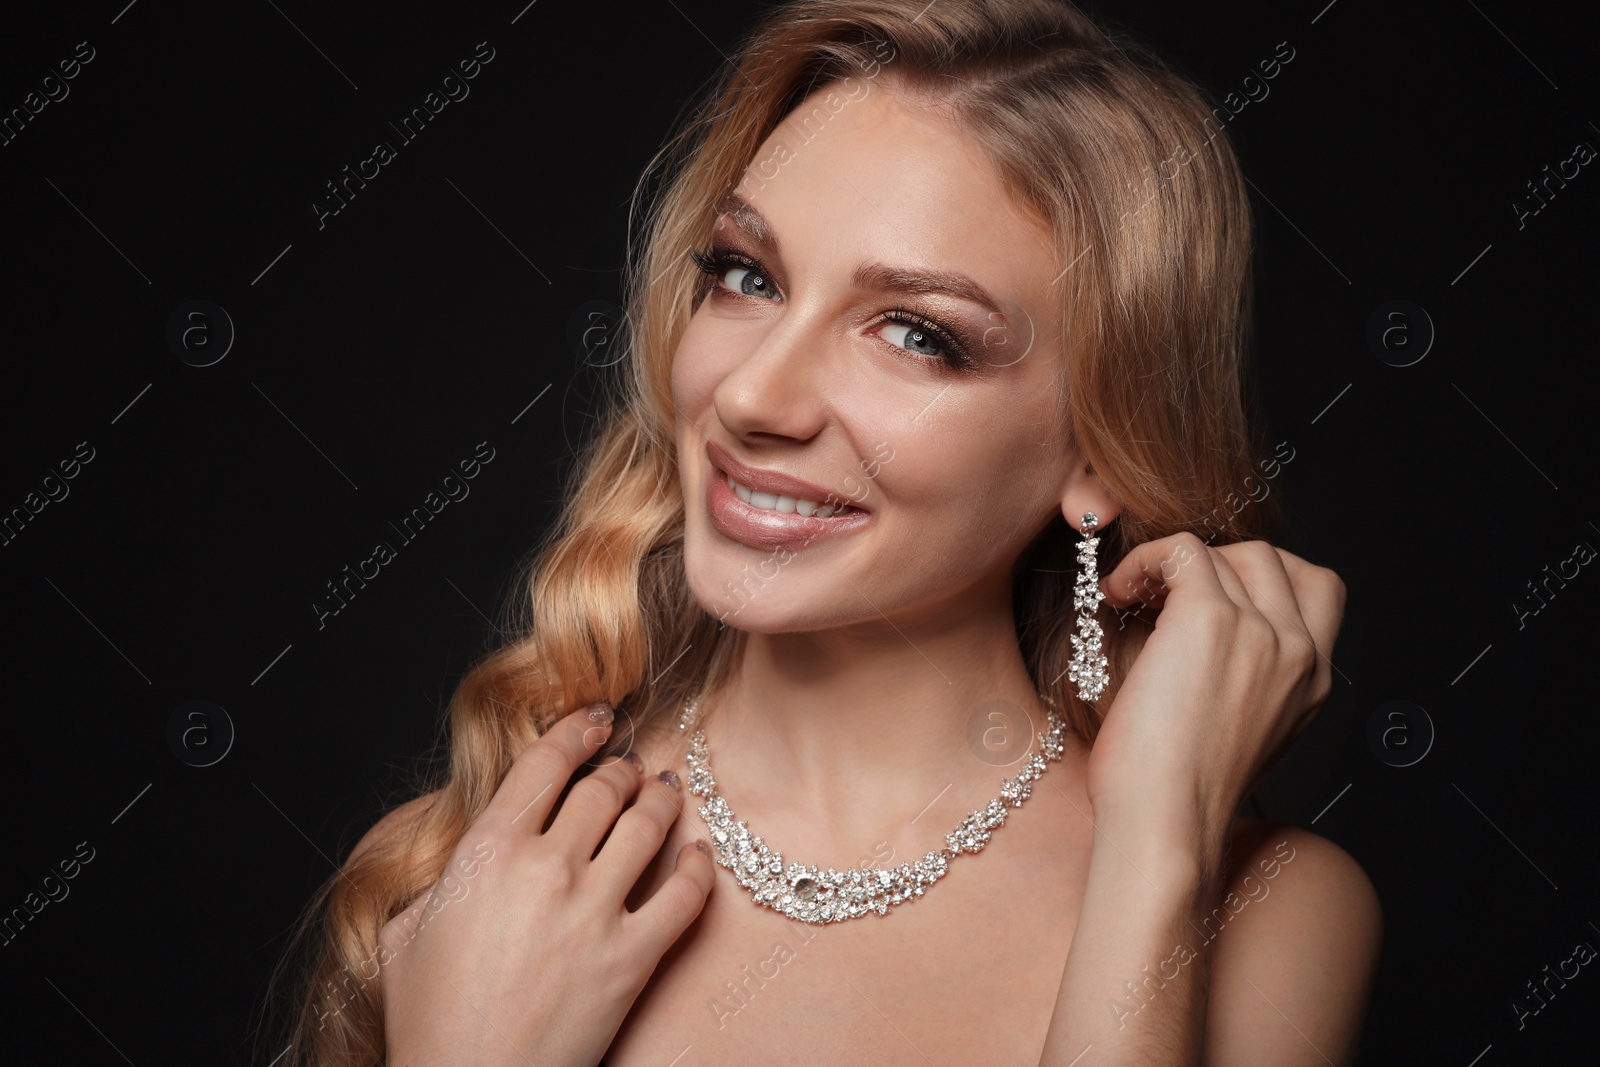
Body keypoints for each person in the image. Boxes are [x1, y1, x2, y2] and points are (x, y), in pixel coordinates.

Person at [261, 1, 1380, 1063]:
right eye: (745, 275)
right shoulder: (460, 873)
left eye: (914, 334)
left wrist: (1157, 841)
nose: (752, 395)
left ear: (1098, 449)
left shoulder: (1262, 912)